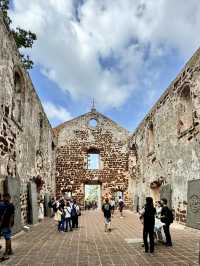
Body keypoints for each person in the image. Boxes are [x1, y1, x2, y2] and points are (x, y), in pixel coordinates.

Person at [0, 193, 15, 259]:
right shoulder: (4, 205)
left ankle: (6, 251)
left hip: (6, 224)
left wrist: (9, 224)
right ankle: (10, 250)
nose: (4, 199)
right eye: (4, 197)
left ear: (8, 198)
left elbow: (12, 215)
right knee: (8, 237)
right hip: (4, 223)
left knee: (7, 238)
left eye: (5, 197)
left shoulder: (10, 205)